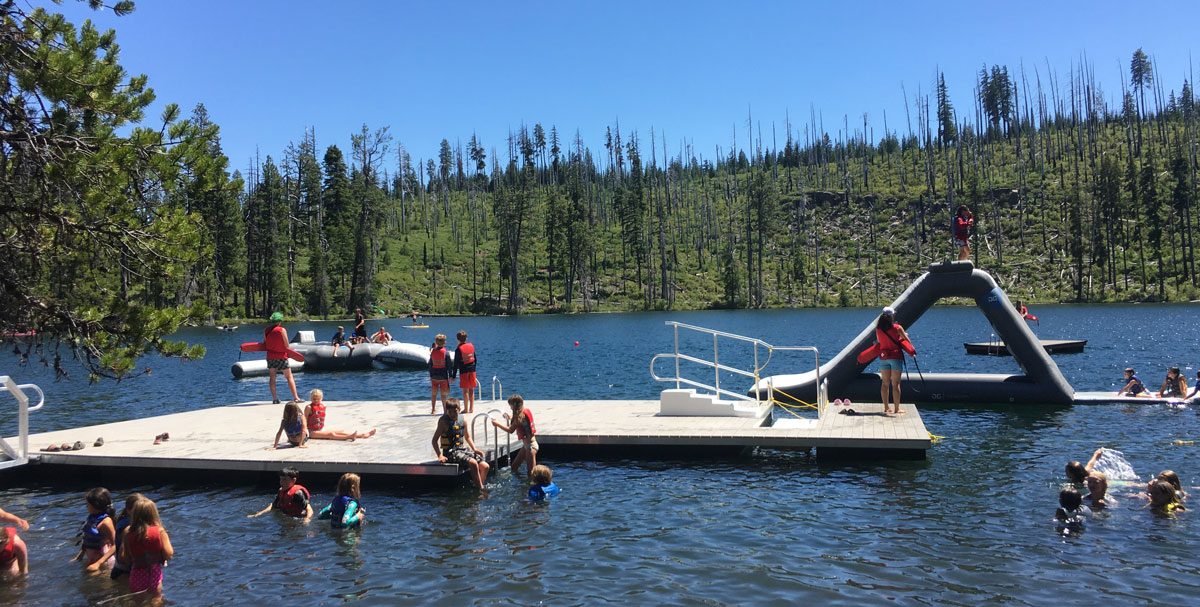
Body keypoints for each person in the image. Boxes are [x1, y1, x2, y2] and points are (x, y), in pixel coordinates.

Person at [119, 497, 174, 597]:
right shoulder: (160, 532)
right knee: (156, 598)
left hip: (136, 575)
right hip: (153, 574)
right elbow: (169, 554)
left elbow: (125, 559)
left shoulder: (128, 534)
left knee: (137, 601)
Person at [432, 398, 490, 489]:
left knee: (485, 466)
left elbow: (468, 437)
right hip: (450, 453)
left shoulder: (463, 420)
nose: (452, 414)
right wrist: (440, 455)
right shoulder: (443, 422)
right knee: (473, 463)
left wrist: (474, 449)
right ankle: (481, 489)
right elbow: (434, 440)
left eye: (454, 411)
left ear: (459, 410)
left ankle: (478, 485)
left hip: (462, 450)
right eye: (449, 412)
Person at [89, 492, 142, 580]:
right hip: (125, 571)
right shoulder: (126, 527)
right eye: (140, 510)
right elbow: (122, 554)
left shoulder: (123, 520)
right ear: (129, 510)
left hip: (119, 568)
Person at [874, 306, 916, 415]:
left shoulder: (878, 329)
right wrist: (904, 336)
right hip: (896, 357)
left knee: (885, 383)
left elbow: (879, 341)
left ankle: (886, 408)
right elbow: (908, 341)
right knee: (896, 384)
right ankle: (897, 409)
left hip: (883, 357)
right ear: (892, 316)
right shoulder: (897, 328)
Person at [304, 389, 375, 441]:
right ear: (311, 398)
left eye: (318, 399)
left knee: (340, 432)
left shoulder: (323, 406)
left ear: (321, 399)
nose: (316, 401)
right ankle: (350, 437)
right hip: (312, 432)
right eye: (314, 399)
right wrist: (304, 433)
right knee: (331, 434)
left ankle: (362, 435)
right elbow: (304, 420)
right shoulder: (309, 407)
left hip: (320, 429)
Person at [492, 394, 537, 475]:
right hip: (526, 446)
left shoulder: (520, 416)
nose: (510, 408)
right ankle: (521, 484)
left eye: (511, 406)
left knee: (531, 473)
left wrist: (496, 423)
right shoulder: (523, 413)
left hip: (531, 447)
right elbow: (519, 421)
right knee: (514, 467)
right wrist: (510, 417)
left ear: (515, 405)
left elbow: (510, 430)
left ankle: (531, 486)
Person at [73, 487, 116, 571]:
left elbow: (115, 545)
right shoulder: (91, 518)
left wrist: (98, 563)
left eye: (88, 504)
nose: (86, 506)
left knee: (102, 583)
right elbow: (87, 540)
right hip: (92, 559)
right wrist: (79, 557)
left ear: (96, 506)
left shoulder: (106, 522)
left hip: (103, 561)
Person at [249, 466, 313, 520]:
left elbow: (309, 509)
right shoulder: (281, 491)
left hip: (298, 517)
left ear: (293, 480)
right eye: (281, 479)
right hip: (286, 517)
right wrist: (259, 514)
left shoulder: (297, 493)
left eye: (284, 479)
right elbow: (273, 506)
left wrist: (307, 520)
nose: (281, 482)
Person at [264, 312, 299, 404]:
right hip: (281, 357)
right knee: (289, 377)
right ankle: (296, 398)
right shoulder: (282, 330)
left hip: (270, 357)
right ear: (279, 321)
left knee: (272, 378)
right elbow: (287, 345)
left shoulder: (266, 330)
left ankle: (275, 399)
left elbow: (265, 344)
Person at [429, 334, 455, 414]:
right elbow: (449, 366)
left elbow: (430, 364)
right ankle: (444, 410)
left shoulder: (432, 352)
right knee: (443, 395)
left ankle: (433, 410)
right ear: (444, 343)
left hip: (434, 376)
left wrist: (430, 375)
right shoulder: (446, 353)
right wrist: (451, 376)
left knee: (434, 394)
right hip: (443, 377)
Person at [454, 331, 478, 414]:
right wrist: (474, 369)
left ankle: (466, 409)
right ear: (466, 339)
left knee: (465, 391)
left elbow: (455, 364)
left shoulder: (458, 349)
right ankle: (471, 408)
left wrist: (453, 376)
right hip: (472, 370)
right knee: (471, 390)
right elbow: (475, 359)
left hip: (464, 371)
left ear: (458, 339)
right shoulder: (471, 346)